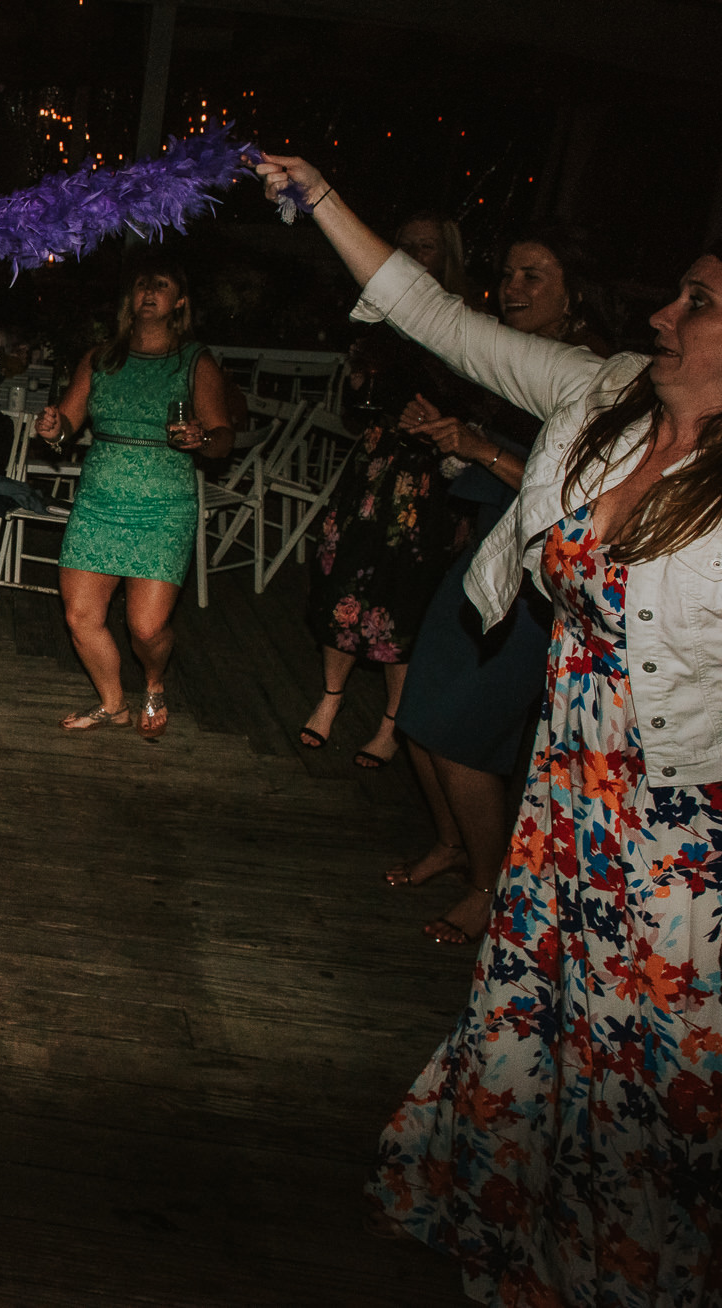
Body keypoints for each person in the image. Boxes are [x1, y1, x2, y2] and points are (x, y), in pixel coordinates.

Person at [261, 150, 722, 1308]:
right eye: (674, 293)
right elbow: (431, 317)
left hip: (680, 829)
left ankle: (630, 1266)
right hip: (570, 790)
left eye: (699, 303)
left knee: (649, 1065)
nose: (664, 314)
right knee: (542, 1010)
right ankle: (509, 1206)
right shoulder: (603, 390)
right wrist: (320, 200)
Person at [386, 230, 610, 945]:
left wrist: (478, 447)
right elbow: (503, 467)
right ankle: (451, 841)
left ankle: (490, 884)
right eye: (508, 271)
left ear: (575, 293)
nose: (512, 286)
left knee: (463, 732)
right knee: (419, 713)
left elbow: (573, 493)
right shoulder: (517, 373)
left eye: (534, 275)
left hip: (537, 582)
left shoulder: (600, 378)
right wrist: (454, 442)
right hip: (485, 551)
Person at [296, 212, 484, 769]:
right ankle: (329, 700)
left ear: (446, 257)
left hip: (430, 481)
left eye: (425, 247)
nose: (413, 257)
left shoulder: (465, 326)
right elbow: (359, 412)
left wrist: (441, 420)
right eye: (404, 246)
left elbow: (481, 409)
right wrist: (359, 383)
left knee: (404, 601)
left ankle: (391, 723)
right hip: (372, 472)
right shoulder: (380, 322)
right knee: (340, 579)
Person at [35, 254, 233, 739]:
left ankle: (154, 680)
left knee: (146, 628)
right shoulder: (101, 358)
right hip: (101, 498)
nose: (149, 292)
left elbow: (223, 436)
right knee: (81, 616)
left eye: (161, 285)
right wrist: (54, 429)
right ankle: (113, 703)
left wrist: (202, 440)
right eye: (142, 284)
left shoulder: (195, 360)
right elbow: (66, 427)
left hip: (164, 503)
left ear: (179, 302)